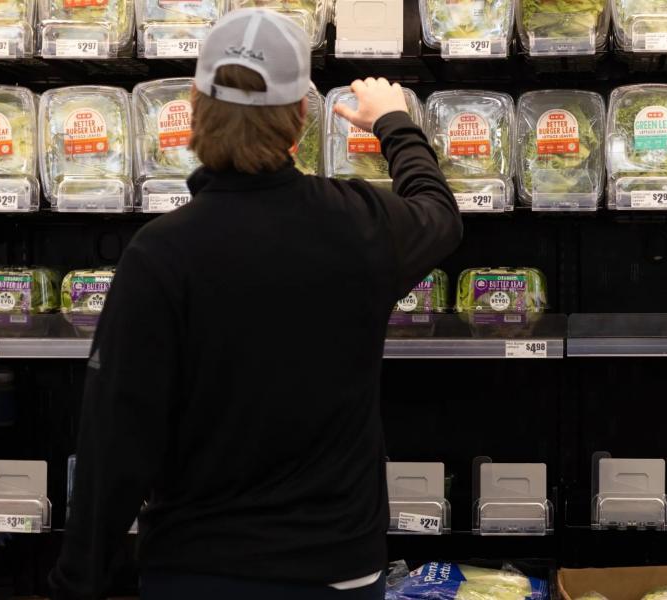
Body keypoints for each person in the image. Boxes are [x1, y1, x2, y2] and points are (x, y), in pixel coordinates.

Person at [48, 8, 461, 600]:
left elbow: (116, 437)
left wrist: (76, 581)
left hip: (201, 570)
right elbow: (440, 215)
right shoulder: (358, 225)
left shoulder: (161, 254)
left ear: (194, 105)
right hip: (339, 568)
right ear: (300, 116)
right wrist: (394, 123)